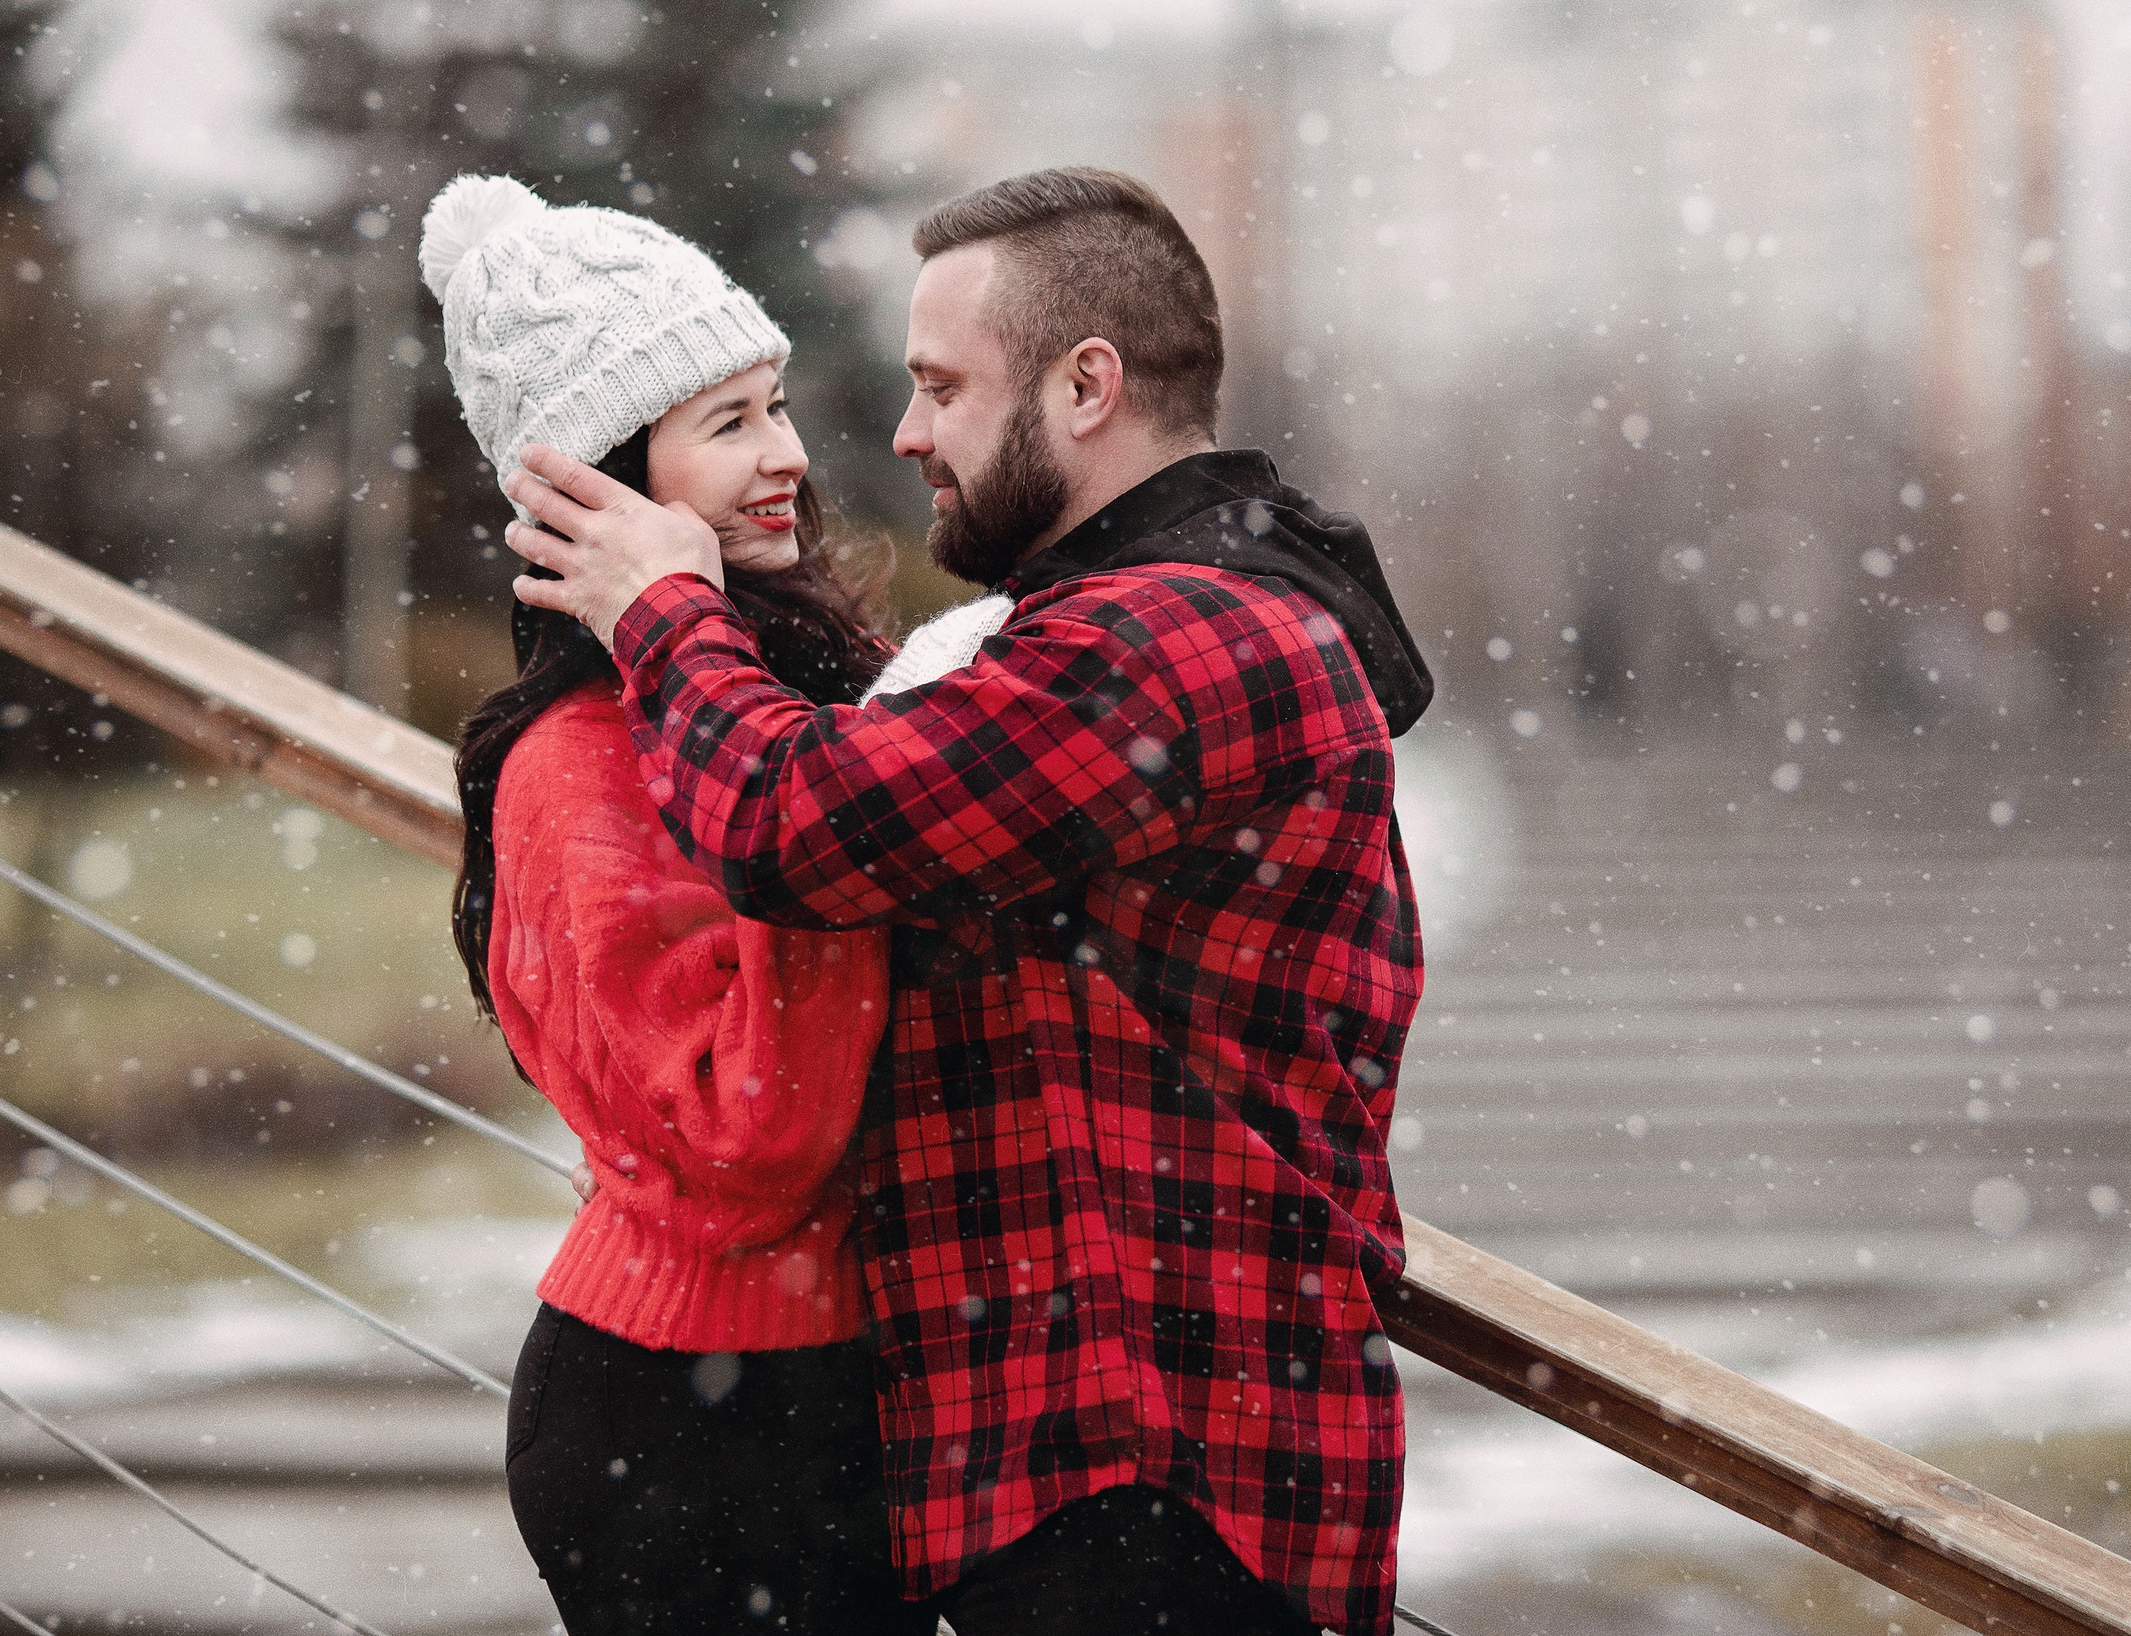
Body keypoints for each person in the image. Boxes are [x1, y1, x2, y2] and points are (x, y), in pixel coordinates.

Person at [500, 166, 1436, 1636]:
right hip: (1086, 1463)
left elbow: (796, 828)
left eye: (940, 385)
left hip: (1159, 1471)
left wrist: (659, 607)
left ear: (1085, 387)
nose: (901, 433)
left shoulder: (1172, 640)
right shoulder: (1111, 625)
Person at [420, 174, 926, 1635]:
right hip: (689, 1432)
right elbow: (749, 1138)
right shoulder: (576, 769)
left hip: (827, 1395)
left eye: (774, 405)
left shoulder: (783, 684)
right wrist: (815, 839)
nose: (784, 457)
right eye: (727, 424)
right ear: (598, 479)